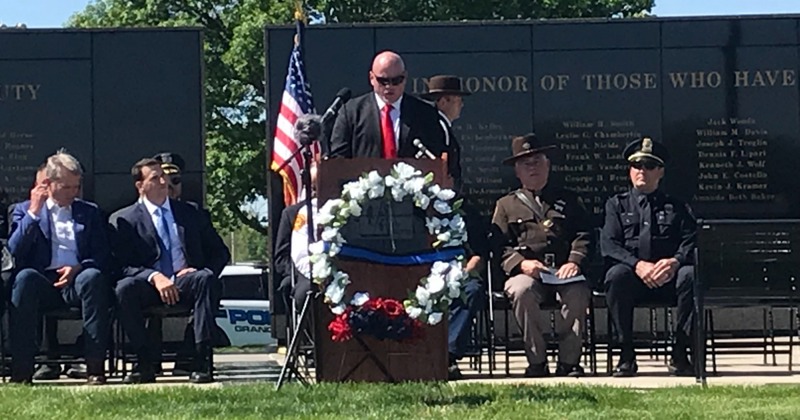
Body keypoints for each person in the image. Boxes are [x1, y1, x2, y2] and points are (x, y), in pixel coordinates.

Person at [110, 158, 230, 384]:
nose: (164, 181)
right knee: (124, 288)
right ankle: (144, 362)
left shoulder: (191, 213)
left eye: (164, 176)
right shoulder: (123, 219)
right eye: (155, 178)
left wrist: (200, 269)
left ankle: (199, 360)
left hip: (185, 280)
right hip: (149, 283)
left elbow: (220, 253)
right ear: (140, 185)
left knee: (206, 279)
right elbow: (120, 266)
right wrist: (154, 277)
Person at [7, 151, 112, 385]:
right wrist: (34, 212)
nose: (73, 192)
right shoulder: (23, 210)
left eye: (76, 187)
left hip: (77, 279)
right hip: (42, 282)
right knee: (24, 279)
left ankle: (94, 367)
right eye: (66, 187)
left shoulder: (89, 212)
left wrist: (77, 268)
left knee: (94, 277)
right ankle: (22, 370)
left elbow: (102, 255)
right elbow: (14, 252)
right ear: (48, 184)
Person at [491, 134, 592, 378]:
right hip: (528, 274)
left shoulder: (569, 199)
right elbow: (497, 246)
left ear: (548, 165)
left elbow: (584, 233)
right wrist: (521, 264)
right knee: (520, 291)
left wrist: (574, 261)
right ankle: (536, 361)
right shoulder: (506, 205)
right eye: (526, 163)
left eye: (537, 161)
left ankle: (569, 362)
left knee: (578, 293)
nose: (532, 167)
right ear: (517, 171)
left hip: (563, 270)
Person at [601, 137, 697, 377]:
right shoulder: (616, 205)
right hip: (633, 280)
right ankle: (626, 356)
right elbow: (609, 245)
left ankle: (680, 353)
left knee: (690, 275)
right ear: (630, 171)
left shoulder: (677, 207)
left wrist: (675, 261)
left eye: (649, 166)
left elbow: (691, 241)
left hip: (668, 280)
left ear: (660, 172)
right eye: (637, 166)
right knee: (615, 276)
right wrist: (638, 265)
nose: (642, 171)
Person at [328, 50, 446, 159]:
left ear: (405, 78)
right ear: (371, 78)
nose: (389, 86)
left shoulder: (425, 112)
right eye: (383, 81)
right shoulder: (351, 112)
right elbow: (339, 159)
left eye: (396, 80)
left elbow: (437, 156)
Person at [446, 201, 487, 380]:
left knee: (471, 291)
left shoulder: (467, 212)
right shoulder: (414, 208)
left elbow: (479, 254)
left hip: (460, 274)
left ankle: (448, 357)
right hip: (418, 271)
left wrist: (463, 274)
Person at [420, 74, 470, 190]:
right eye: (458, 100)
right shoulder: (436, 128)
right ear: (443, 102)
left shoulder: (441, 126)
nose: (461, 105)